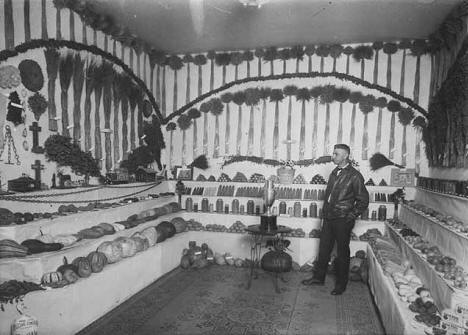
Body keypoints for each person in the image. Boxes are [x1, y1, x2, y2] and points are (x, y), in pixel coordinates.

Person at [302, 144, 369, 295]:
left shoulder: (355, 176)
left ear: (345, 156)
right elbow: (329, 197)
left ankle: (341, 284)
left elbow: (363, 201)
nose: (333, 156)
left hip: (342, 220)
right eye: (333, 153)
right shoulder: (334, 172)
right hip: (329, 217)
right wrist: (324, 216)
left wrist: (350, 216)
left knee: (342, 253)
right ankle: (318, 278)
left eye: (336, 154)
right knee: (324, 249)